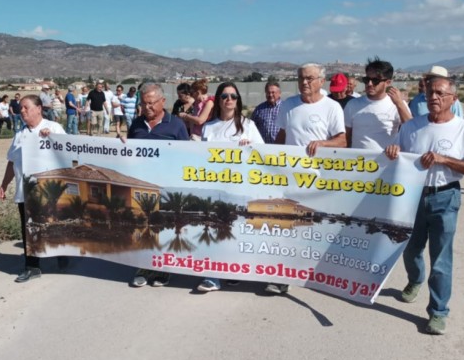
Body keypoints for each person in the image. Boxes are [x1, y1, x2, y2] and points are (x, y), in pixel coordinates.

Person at [386, 75, 464, 334]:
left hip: (445, 197)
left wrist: (446, 160)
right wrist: (392, 153)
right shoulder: (411, 127)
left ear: (454, 98)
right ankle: (415, 279)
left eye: (440, 94)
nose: (434, 98)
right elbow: (395, 158)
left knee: (441, 258)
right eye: (430, 93)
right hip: (413, 197)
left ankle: (438, 312)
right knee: (410, 248)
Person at [271, 63, 346, 294]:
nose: (305, 83)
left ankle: (316, 272)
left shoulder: (332, 107)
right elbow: (282, 137)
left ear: (321, 81)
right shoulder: (288, 106)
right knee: (287, 227)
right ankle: (283, 276)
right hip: (290, 179)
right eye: (301, 78)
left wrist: (323, 143)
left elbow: (342, 140)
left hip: (318, 180)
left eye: (310, 79)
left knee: (315, 228)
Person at [196, 82, 264, 293]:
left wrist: (249, 149)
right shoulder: (208, 127)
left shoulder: (248, 125)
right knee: (215, 228)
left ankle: (233, 271)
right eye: (224, 96)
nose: (229, 100)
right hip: (215, 187)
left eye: (233, 96)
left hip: (240, 188)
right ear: (218, 99)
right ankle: (212, 276)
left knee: (235, 231)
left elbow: (263, 154)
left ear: (238, 100)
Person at [0, 94, 68, 283]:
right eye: (20, 108)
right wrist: (4, 184)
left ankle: (63, 254)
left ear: (39, 109)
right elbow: (12, 162)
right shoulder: (20, 135)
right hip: (25, 191)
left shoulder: (54, 128)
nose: (22, 111)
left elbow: (69, 154)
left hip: (50, 190)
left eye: (26, 107)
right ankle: (32, 266)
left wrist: (52, 139)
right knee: (29, 229)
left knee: (54, 224)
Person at [126, 83, 189, 287]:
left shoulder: (176, 125)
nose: (147, 108)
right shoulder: (135, 124)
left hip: (168, 187)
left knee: (165, 228)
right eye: (144, 104)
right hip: (143, 187)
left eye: (151, 103)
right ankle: (144, 266)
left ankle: (163, 270)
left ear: (163, 101)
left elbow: (186, 156)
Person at [344, 57, 412, 150]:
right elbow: (346, 137)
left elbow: (411, 129)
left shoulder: (397, 104)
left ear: (388, 82)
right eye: (367, 79)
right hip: (359, 162)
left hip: (386, 162)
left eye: (375, 81)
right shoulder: (352, 104)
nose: (370, 84)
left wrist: (399, 104)